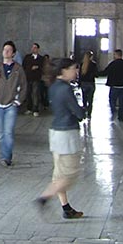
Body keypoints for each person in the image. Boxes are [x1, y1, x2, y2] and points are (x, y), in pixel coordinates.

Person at [35, 58, 86, 220]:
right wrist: (83, 109)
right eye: (73, 69)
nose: (76, 72)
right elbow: (79, 114)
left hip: (56, 132)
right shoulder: (65, 89)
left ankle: (66, 208)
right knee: (70, 174)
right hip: (67, 135)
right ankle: (43, 198)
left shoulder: (54, 87)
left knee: (59, 173)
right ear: (63, 70)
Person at [0, 40, 27, 167]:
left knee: (8, 132)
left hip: (10, 105)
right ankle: (4, 155)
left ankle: (6, 157)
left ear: (13, 54)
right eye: (4, 49)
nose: (6, 52)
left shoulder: (18, 69)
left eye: (9, 50)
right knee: (1, 133)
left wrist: (18, 101)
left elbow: (24, 86)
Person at [101, 49, 123, 122]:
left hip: (114, 86)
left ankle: (114, 111)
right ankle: (121, 117)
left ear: (116, 55)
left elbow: (105, 72)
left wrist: (96, 73)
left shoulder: (113, 64)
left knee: (112, 100)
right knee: (122, 103)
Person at [23, 43, 45, 116]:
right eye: (32, 47)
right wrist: (30, 68)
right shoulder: (27, 57)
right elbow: (24, 66)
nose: (33, 49)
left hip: (37, 78)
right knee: (28, 93)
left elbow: (43, 68)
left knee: (35, 93)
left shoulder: (41, 58)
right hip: (28, 77)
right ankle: (29, 108)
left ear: (38, 49)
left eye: (35, 48)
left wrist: (38, 68)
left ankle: (36, 109)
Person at [78, 51, 98, 117]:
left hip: (83, 83)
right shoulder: (93, 64)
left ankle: (84, 111)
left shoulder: (82, 64)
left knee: (84, 98)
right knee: (90, 100)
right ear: (91, 56)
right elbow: (96, 74)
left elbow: (80, 75)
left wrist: (79, 83)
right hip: (91, 83)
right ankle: (89, 114)